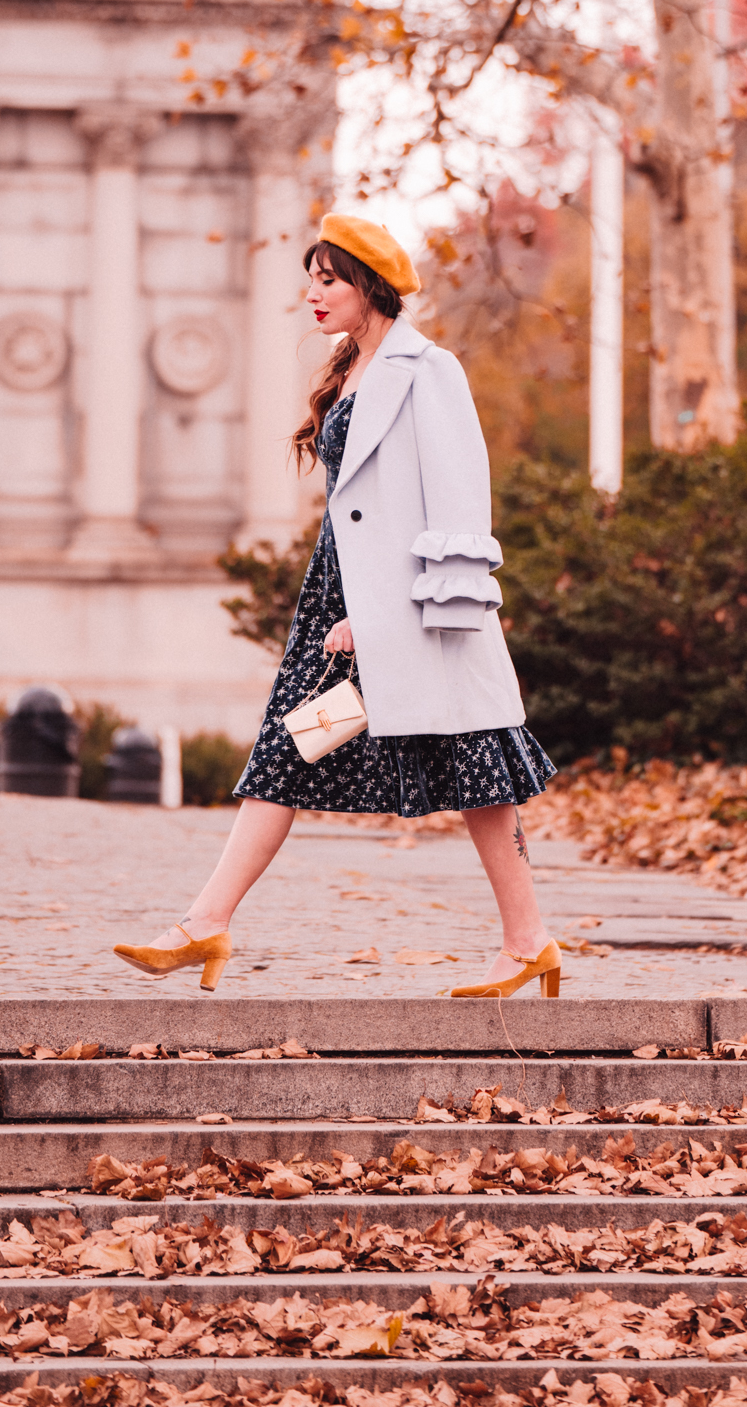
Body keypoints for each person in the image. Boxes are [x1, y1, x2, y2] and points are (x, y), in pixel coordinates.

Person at [114, 212, 561, 999]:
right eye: (311, 279)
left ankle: (528, 941)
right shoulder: (348, 369)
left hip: (407, 617)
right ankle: (206, 921)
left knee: (476, 766)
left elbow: (458, 502)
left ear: (370, 286)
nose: (314, 294)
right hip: (339, 608)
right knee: (287, 755)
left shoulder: (429, 369)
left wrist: (388, 617)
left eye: (330, 279)